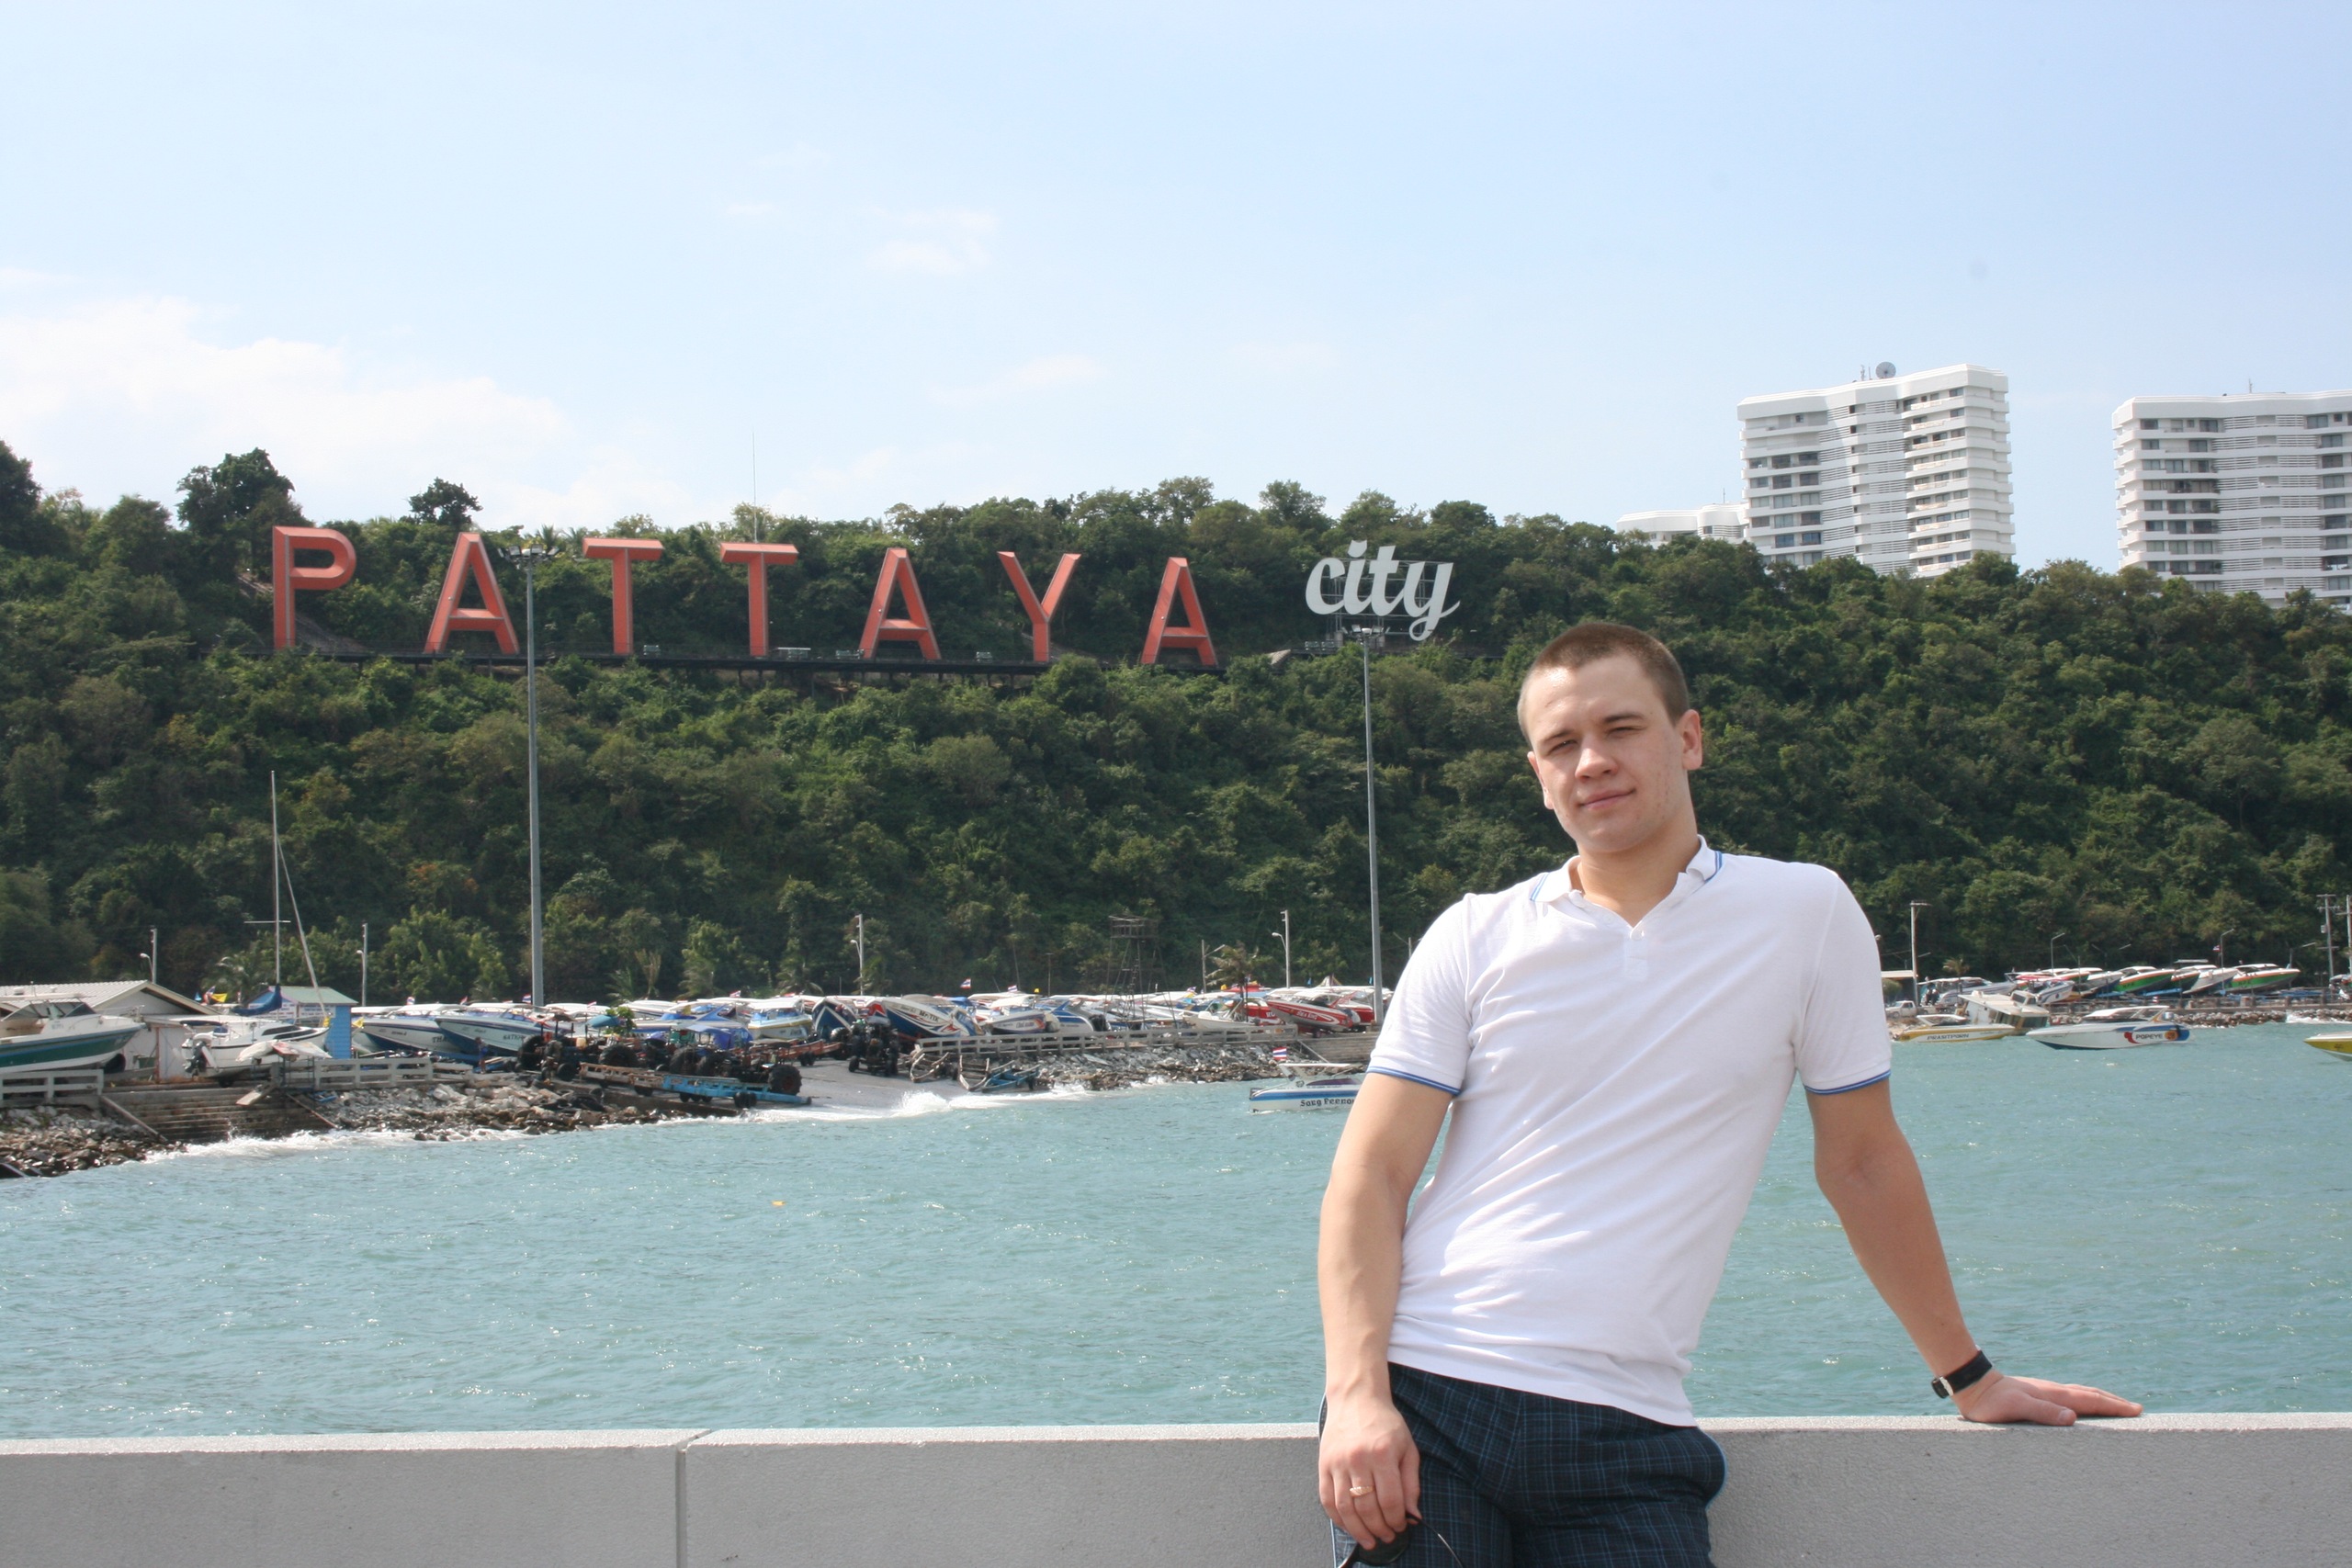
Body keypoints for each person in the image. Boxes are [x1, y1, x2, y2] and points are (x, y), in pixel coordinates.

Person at [1317, 623, 2138, 1568]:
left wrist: (1969, 1374)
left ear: (1689, 737)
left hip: (1630, 1424)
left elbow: (1863, 1162)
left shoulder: (1804, 913)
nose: (1591, 761)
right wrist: (1357, 1395)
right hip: (1428, 1394)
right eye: (1560, 744)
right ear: (1538, 774)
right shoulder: (1475, 933)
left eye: (1620, 728)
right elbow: (1372, 1175)